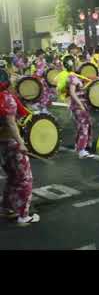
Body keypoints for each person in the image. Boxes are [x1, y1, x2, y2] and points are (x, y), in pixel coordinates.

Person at [0, 69, 40, 225]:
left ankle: (6, 208)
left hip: (2, 145)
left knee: (12, 177)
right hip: (11, 144)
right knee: (25, 178)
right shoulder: (7, 99)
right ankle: (23, 215)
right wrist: (22, 143)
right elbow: (10, 123)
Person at [57, 56, 94, 159]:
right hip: (78, 105)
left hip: (79, 104)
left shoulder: (73, 76)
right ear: (72, 64)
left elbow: (77, 90)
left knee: (83, 125)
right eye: (76, 62)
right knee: (84, 126)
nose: (78, 63)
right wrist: (81, 105)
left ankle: (80, 146)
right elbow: (73, 93)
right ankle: (81, 150)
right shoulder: (72, 77)